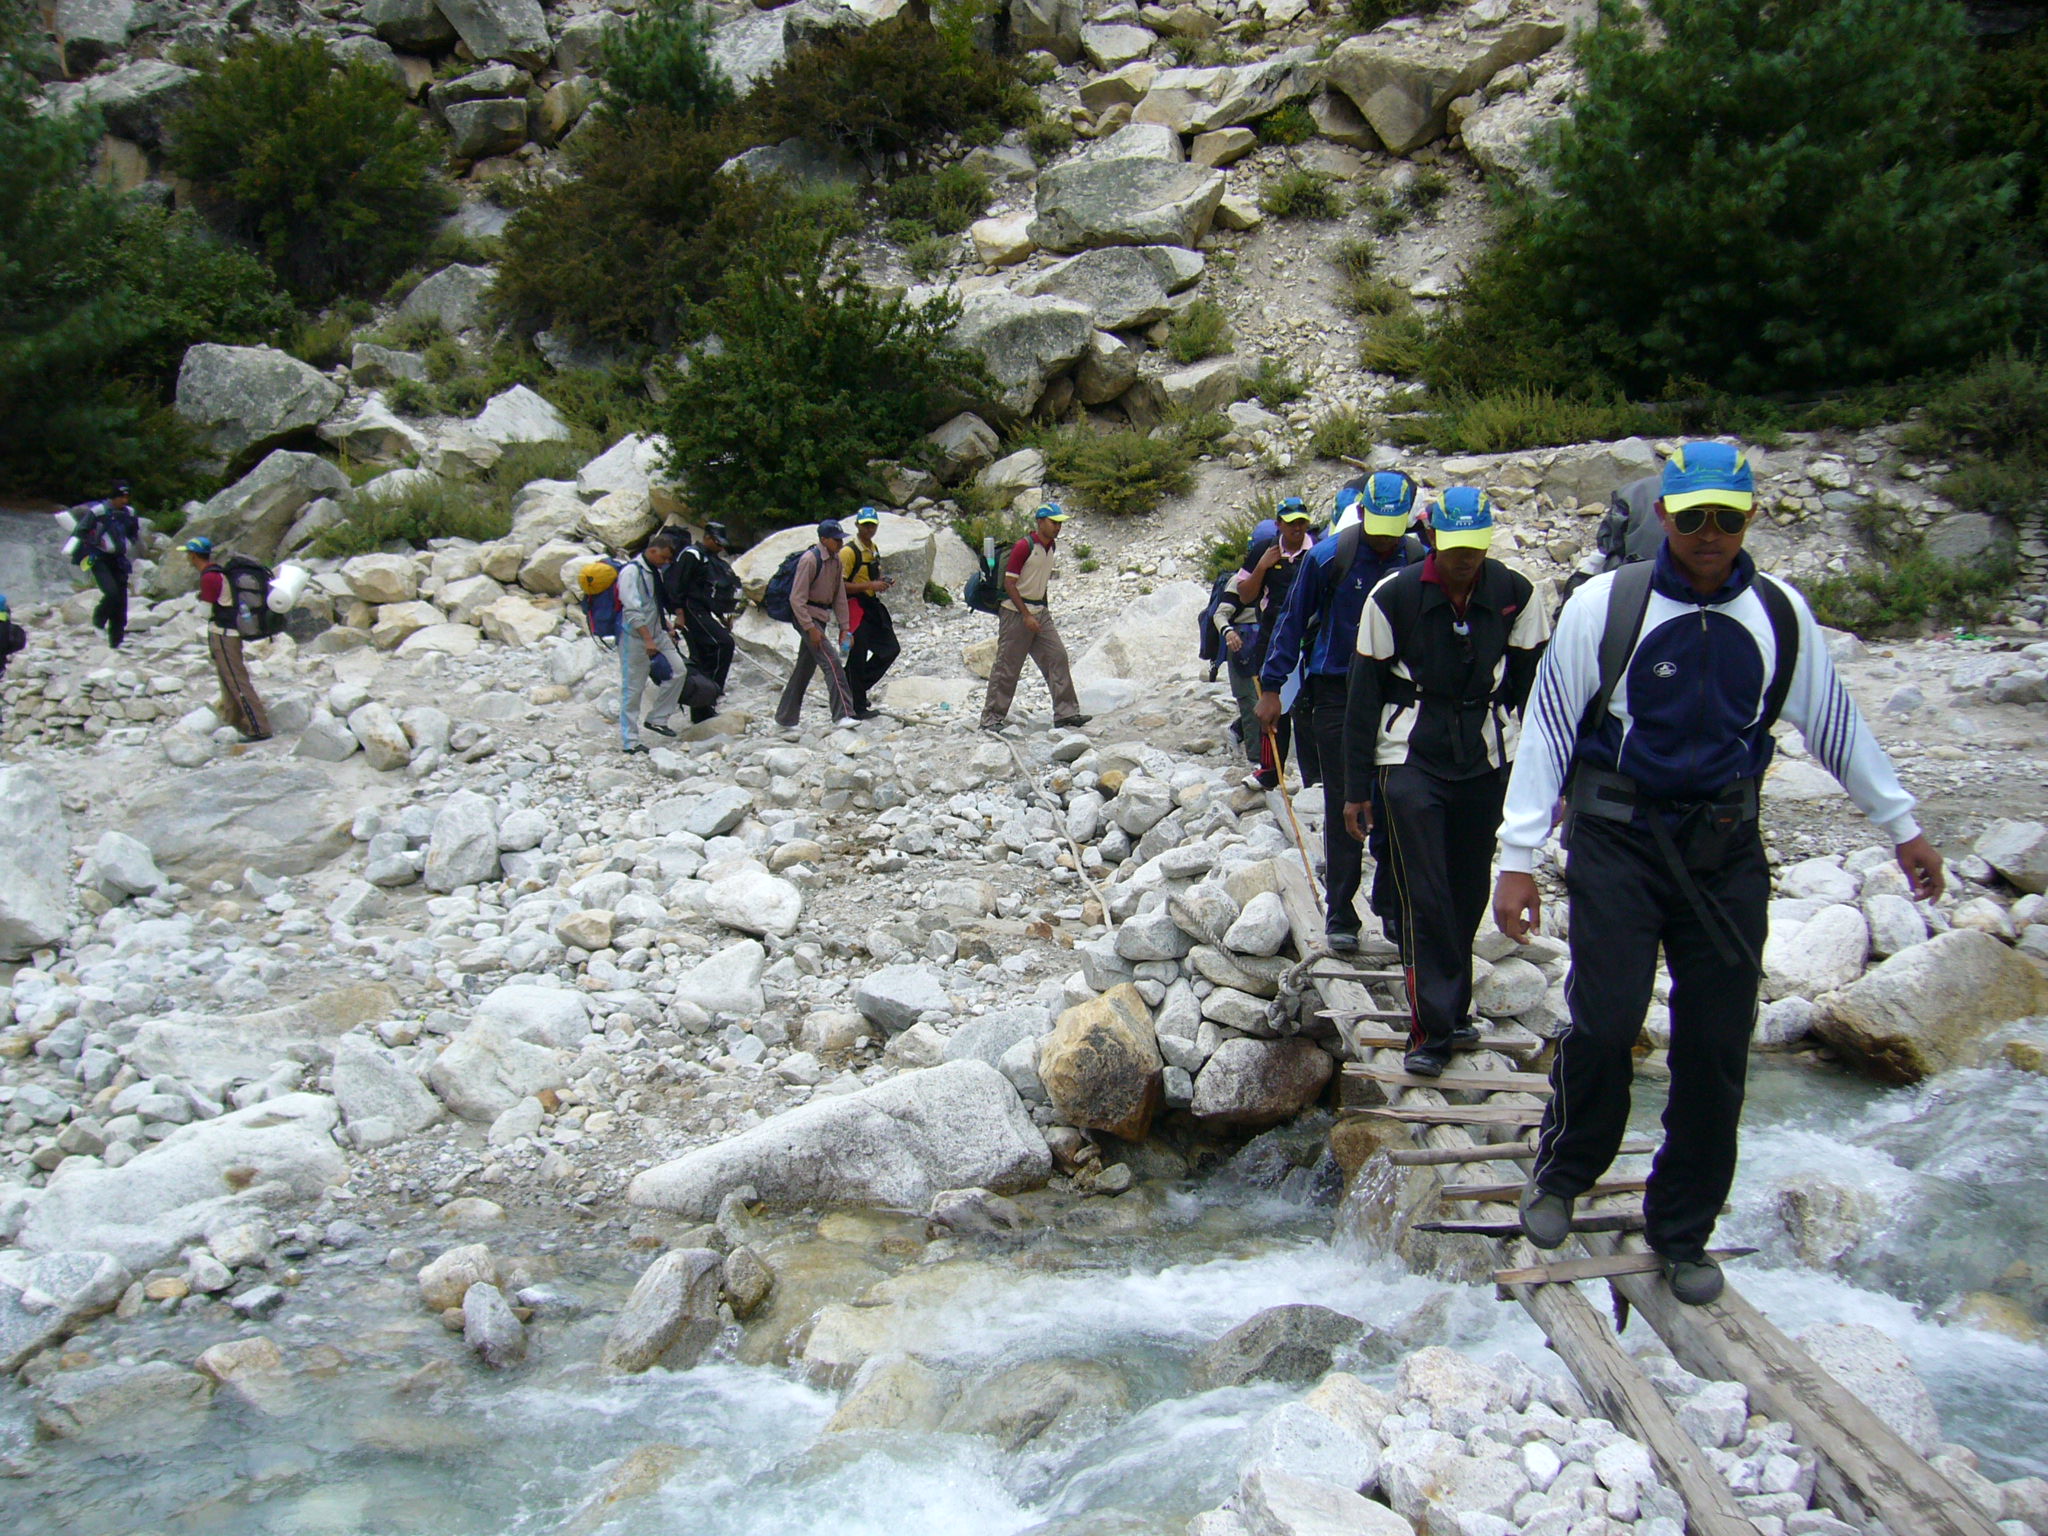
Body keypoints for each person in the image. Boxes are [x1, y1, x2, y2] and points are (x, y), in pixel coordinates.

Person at [1494, 442, 1945, 1306]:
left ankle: (1682, 1228)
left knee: (1715, 1046)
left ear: (1749, 521)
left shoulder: (1779, 615)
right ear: (1663, 515)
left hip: (1727, 849)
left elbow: (1835, 726)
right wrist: (1517, 861)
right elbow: (1550, 730)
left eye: (1726, 518)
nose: (1709, 533)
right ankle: (1565, 1172)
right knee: (1604, 1019)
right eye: (1693, 515)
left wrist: (1903, 827)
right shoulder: (1606, 607)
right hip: (1619, 841)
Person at [1344, 487, 1550, 1077]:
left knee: (1466, 887)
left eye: (1475, 547)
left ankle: (1452, 1008)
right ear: (1432, 538)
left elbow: (1534, 687)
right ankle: (1431, 1028)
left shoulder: (1515, 593)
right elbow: (1363, 697)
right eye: (1454, 547)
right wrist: (1358, 788)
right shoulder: (1394, 597)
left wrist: (1540, 774)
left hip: (1484, 754)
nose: (1465, 559)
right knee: (1425, 890)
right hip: (1409, 755)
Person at [1259, 472, 1422, 951]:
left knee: (1395, 799)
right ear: (1365, 511)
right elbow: (1292, 620)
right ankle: (1342, 911)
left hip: (1395, 696)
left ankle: (1391, 906)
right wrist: (1272, 687)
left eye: (1395, 526)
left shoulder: (1416, 560)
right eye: (1378, 524)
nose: (1385, 537)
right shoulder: (1331, 556)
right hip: (1336, 692)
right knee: (1345, 800)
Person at [979, 503, 1091, 734]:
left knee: (1057, 656)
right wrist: (1026, 615)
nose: (1058, 527)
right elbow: (1010, 584)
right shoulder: (1024, 547)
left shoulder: (1051, 547)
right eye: (1054, 522)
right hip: (1015, 613)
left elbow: (1040, 581)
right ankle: (991, 718)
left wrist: (1042, 610)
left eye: (1060, 523)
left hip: (1039, 611)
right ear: (1041, 522)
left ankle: (1066, 713)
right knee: (1008, 666)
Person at [1232, 496, 1317, 791]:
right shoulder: (1262, 550)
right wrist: (1262, 568)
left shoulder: (1317, 552)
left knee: (1307, 709)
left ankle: (1314, 778)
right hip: (1271, 637)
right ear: (1279, 523)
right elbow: (1243, 595)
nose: (1297, 527)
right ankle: (1270, 771)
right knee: (1271, 706)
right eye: (1290, 521)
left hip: (1309, 638)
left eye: (1301, 521)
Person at [183, 538, 272, 741]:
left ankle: (259, 727)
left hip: (224, 634)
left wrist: (200, 600)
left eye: (188, 554)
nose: (187, 557)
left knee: (236, 680)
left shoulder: (210, 578)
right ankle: (235, 720)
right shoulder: (218, 573)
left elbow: (204, 612)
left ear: (194, 555)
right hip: (226, 633)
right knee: (227, 678)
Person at [775, 520, 860, 730]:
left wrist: (844, 627)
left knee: (804, 667)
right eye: (836, 539)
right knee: (832, 663)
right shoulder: (810, 560)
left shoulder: (835, 561)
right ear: (824, 539)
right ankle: (843, 714)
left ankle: (785, 718)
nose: (840, 543)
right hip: (807, 616)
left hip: (821, 616)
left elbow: (839, 595)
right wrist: (810, 628)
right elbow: (797, 599)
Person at [618, 530, 688, 753]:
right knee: (633, 688)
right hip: (636, 638)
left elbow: (654, 603)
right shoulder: (631, 572)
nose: (666, 562)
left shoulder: (653, 571)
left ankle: (658, 718)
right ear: (651, 550)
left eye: (669, 559)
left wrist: (666, 627)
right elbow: (632, 610)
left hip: (658, 632)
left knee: (679, 671)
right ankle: (630, 741)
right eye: (664, 557)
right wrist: (648, 639)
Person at [665, 519, 740, 723]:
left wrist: (722, 616)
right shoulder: (692, 555)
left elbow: (710, 591)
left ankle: (703, 707)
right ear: (706, 538)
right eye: (717, 541)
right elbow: (678, 585)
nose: (721, 546)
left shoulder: (712, 560)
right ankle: (709, 697)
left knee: (705, 653)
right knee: (722, 644)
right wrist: (679, 613)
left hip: (702, 610)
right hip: (691, 609)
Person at [840, 507, 899, 719]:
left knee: (890, 649)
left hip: (871, 606)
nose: (869, 529)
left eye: (872, 525)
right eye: (865, 525)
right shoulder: (848, 552)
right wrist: (871, 585)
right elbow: (840, 585)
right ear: (857, 525)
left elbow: (873, 574)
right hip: (854, 607)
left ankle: (851, 690)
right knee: (858, 654)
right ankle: (855, 705)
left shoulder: (872, 548)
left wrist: (883, 581)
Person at [72, 484, 141, 651]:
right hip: (99, 557)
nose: (124, 501)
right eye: (120, 497)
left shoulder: (129, 513)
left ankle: (116, 641)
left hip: (118, 558)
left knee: (121, 600)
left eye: (126, 497)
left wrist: (129, 543)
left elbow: (133, 532)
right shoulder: (98, 512)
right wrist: (96, 541)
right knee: (111, 592)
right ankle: (98, 620)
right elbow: (81, 531)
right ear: (113, 497)